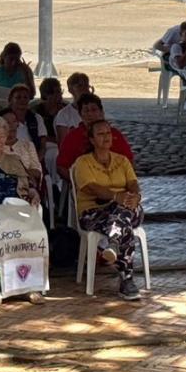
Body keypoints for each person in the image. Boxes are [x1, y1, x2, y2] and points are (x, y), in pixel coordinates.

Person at [71, 118, 144, 301]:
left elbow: (133, 183)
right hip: (94, 212)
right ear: (92, 139)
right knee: (123, 223)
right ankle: (127, 280)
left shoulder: (122, 160)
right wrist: (115, 196)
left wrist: (135, 195)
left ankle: (113, 243)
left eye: (108, 133)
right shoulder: (83, 162)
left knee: (123, 211)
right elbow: (91, 188)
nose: (106, 137)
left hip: (126, 208)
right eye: (101, 134)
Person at [55, 93, 134, 180]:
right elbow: (61, 167)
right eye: (86, 110)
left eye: (94, 110)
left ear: (101, 112)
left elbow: (129, 161)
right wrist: (77, 181)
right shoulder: (73, 137)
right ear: (80, 114)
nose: (90, 114)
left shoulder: (115, 134)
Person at [0, 107, 43, 188]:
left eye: (14, 121)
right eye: (7, 122)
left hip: (26, 187)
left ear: (17, 124)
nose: (11, 125)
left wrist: (19, 173)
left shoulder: (28, 145)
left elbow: (37, 171)